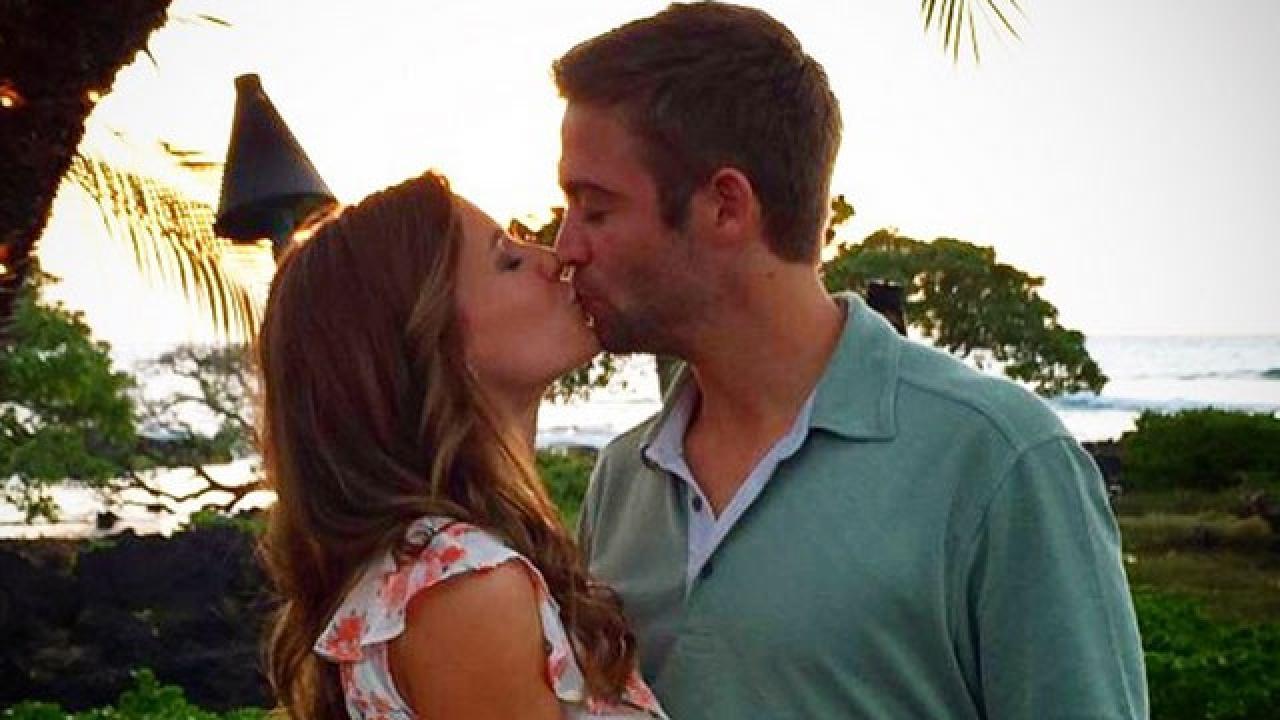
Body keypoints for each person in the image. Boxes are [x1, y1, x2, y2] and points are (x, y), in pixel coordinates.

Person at [552, 4, 1148, 719]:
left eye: (596, 209)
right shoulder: (623, 478)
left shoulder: (997, 460)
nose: (565, 247)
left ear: (725, 207)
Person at [257, 171, 667, 720]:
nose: (554, 259)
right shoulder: (466, 587)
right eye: (508, 261)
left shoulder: (436, 569)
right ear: (426, 341)